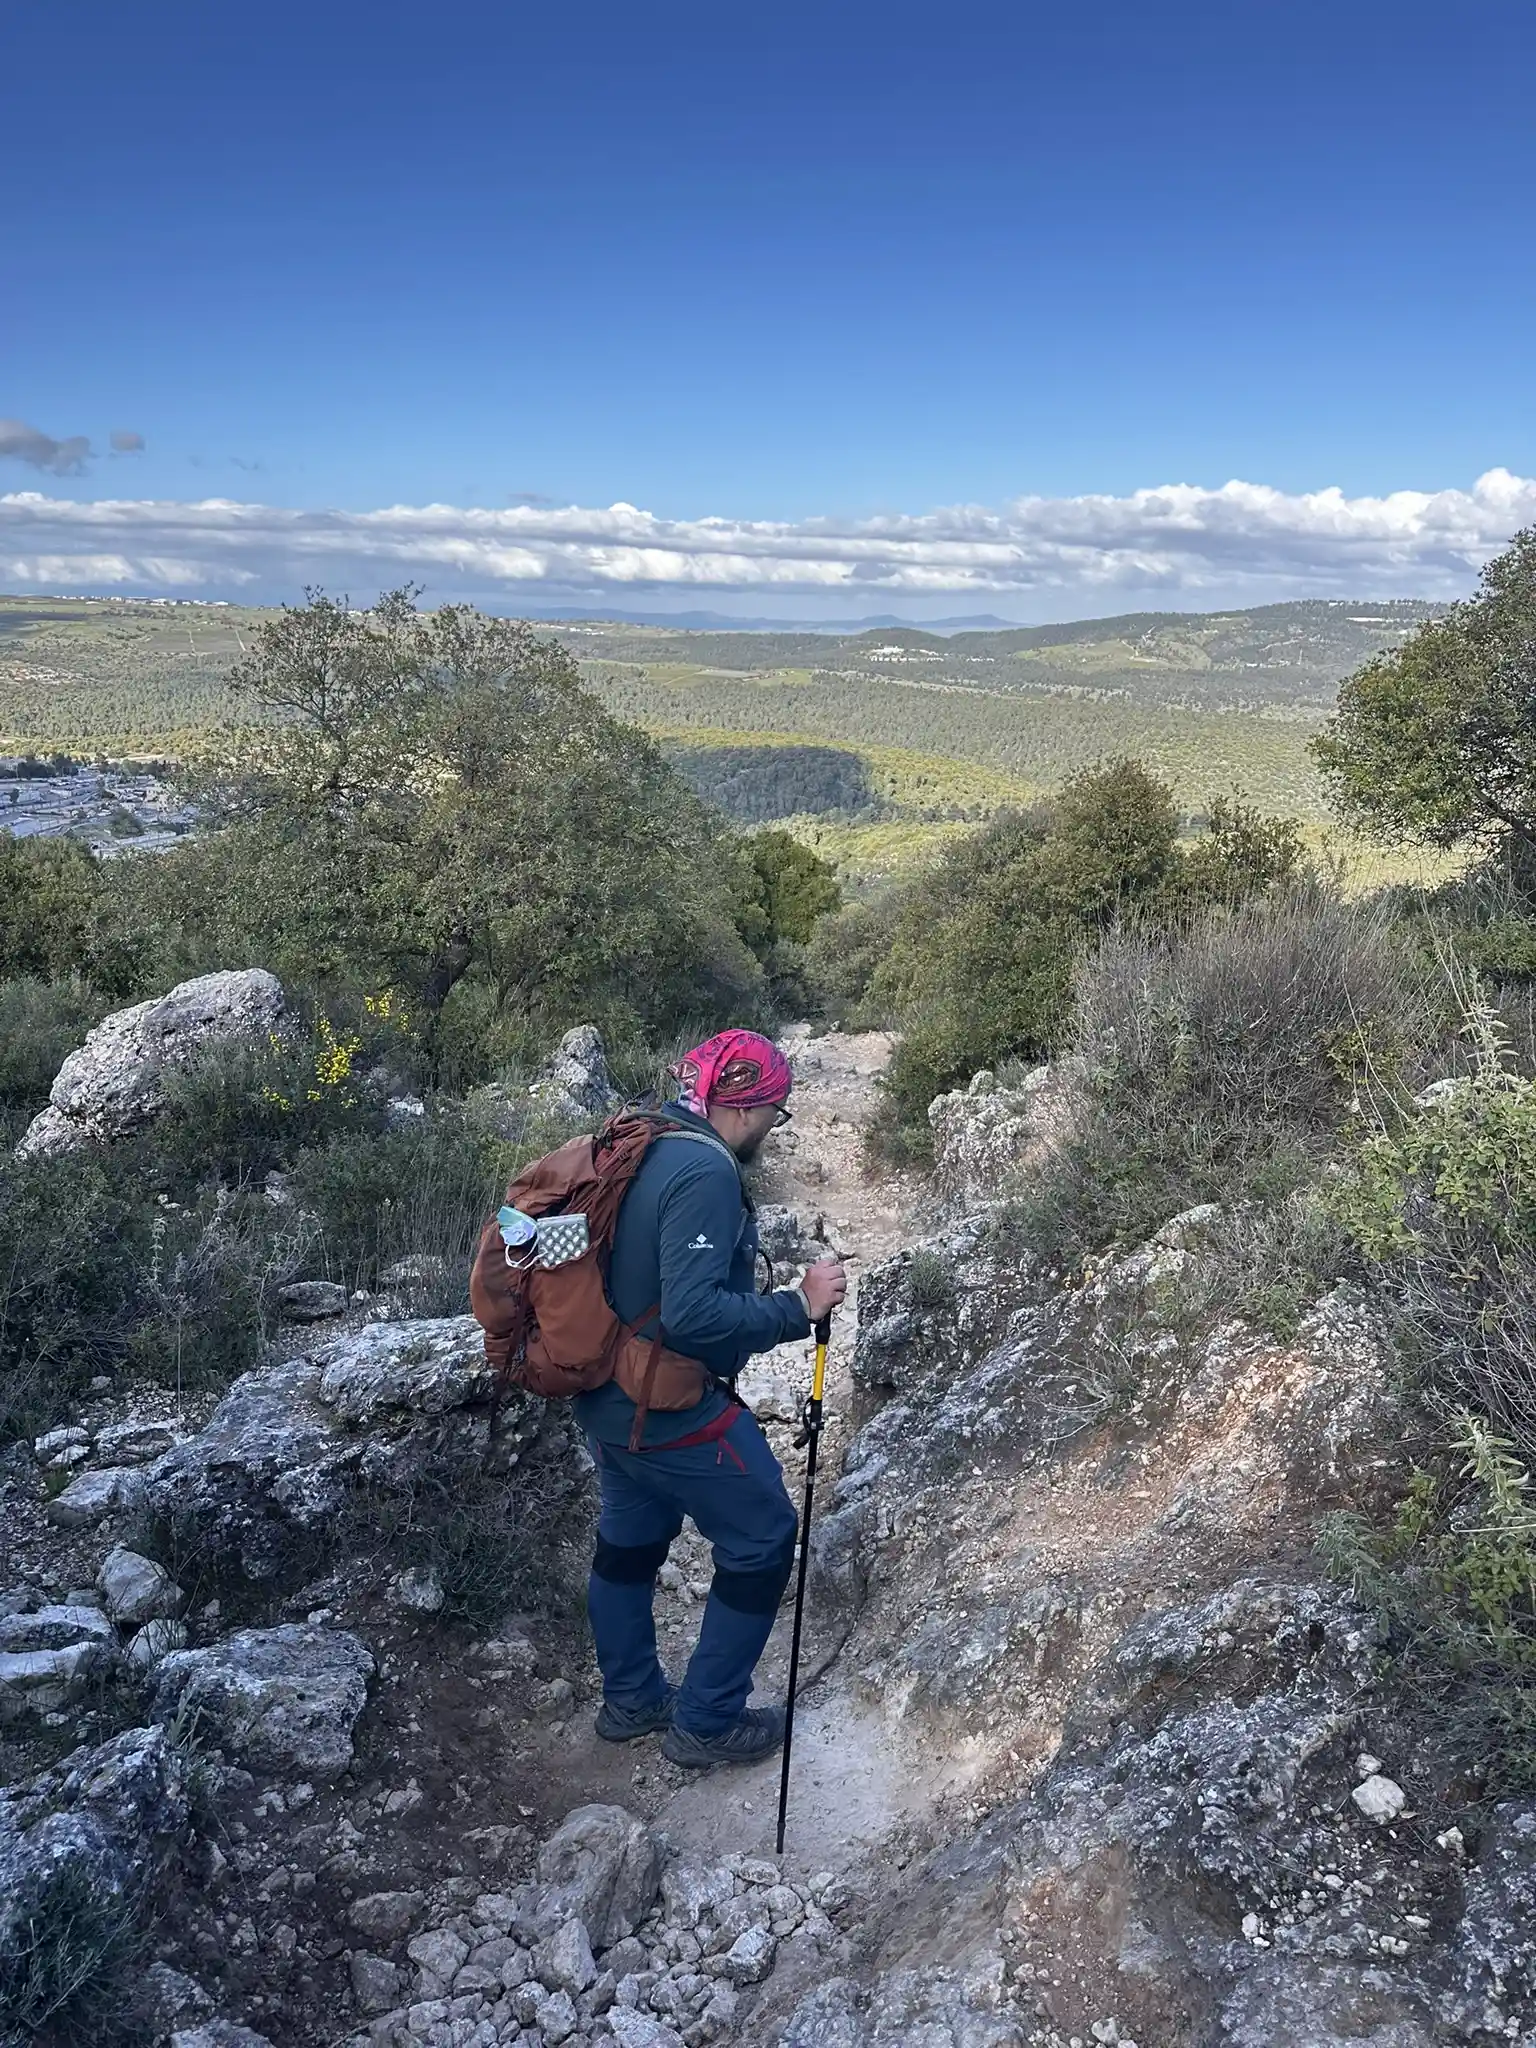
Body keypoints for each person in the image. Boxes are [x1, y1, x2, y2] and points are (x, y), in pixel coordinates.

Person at [578, 1028, 847, 1767]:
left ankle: (631, 1701)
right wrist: (800, 1308)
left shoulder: (642, 1138)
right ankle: (707, 1723)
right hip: (665, 1406)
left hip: (604, 1394)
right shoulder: (706, 1173)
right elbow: (693, 1314)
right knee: (763, 1536)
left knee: (630, 1543)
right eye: (775, 1110)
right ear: (744, 1105)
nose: (772, 1125)